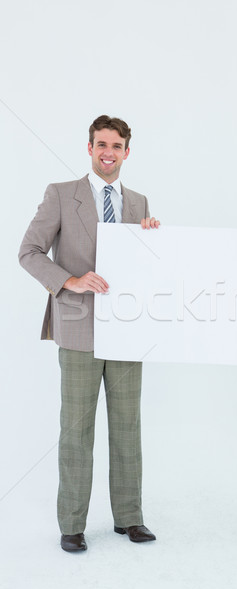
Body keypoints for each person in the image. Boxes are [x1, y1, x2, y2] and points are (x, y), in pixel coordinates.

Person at [19, 115, 160, 552]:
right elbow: (29, 252)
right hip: (79, 329)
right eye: (101, 144)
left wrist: (158, 239)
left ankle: (129, 518)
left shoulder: (138, 202)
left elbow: (148, 265)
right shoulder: (62, 195)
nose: (108, 152)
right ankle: (73, 524)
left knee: (127, 426)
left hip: (128, 330)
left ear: (126, 152)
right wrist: (69, 280)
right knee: (76, 430)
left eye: (116, 146)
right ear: (90, 147)